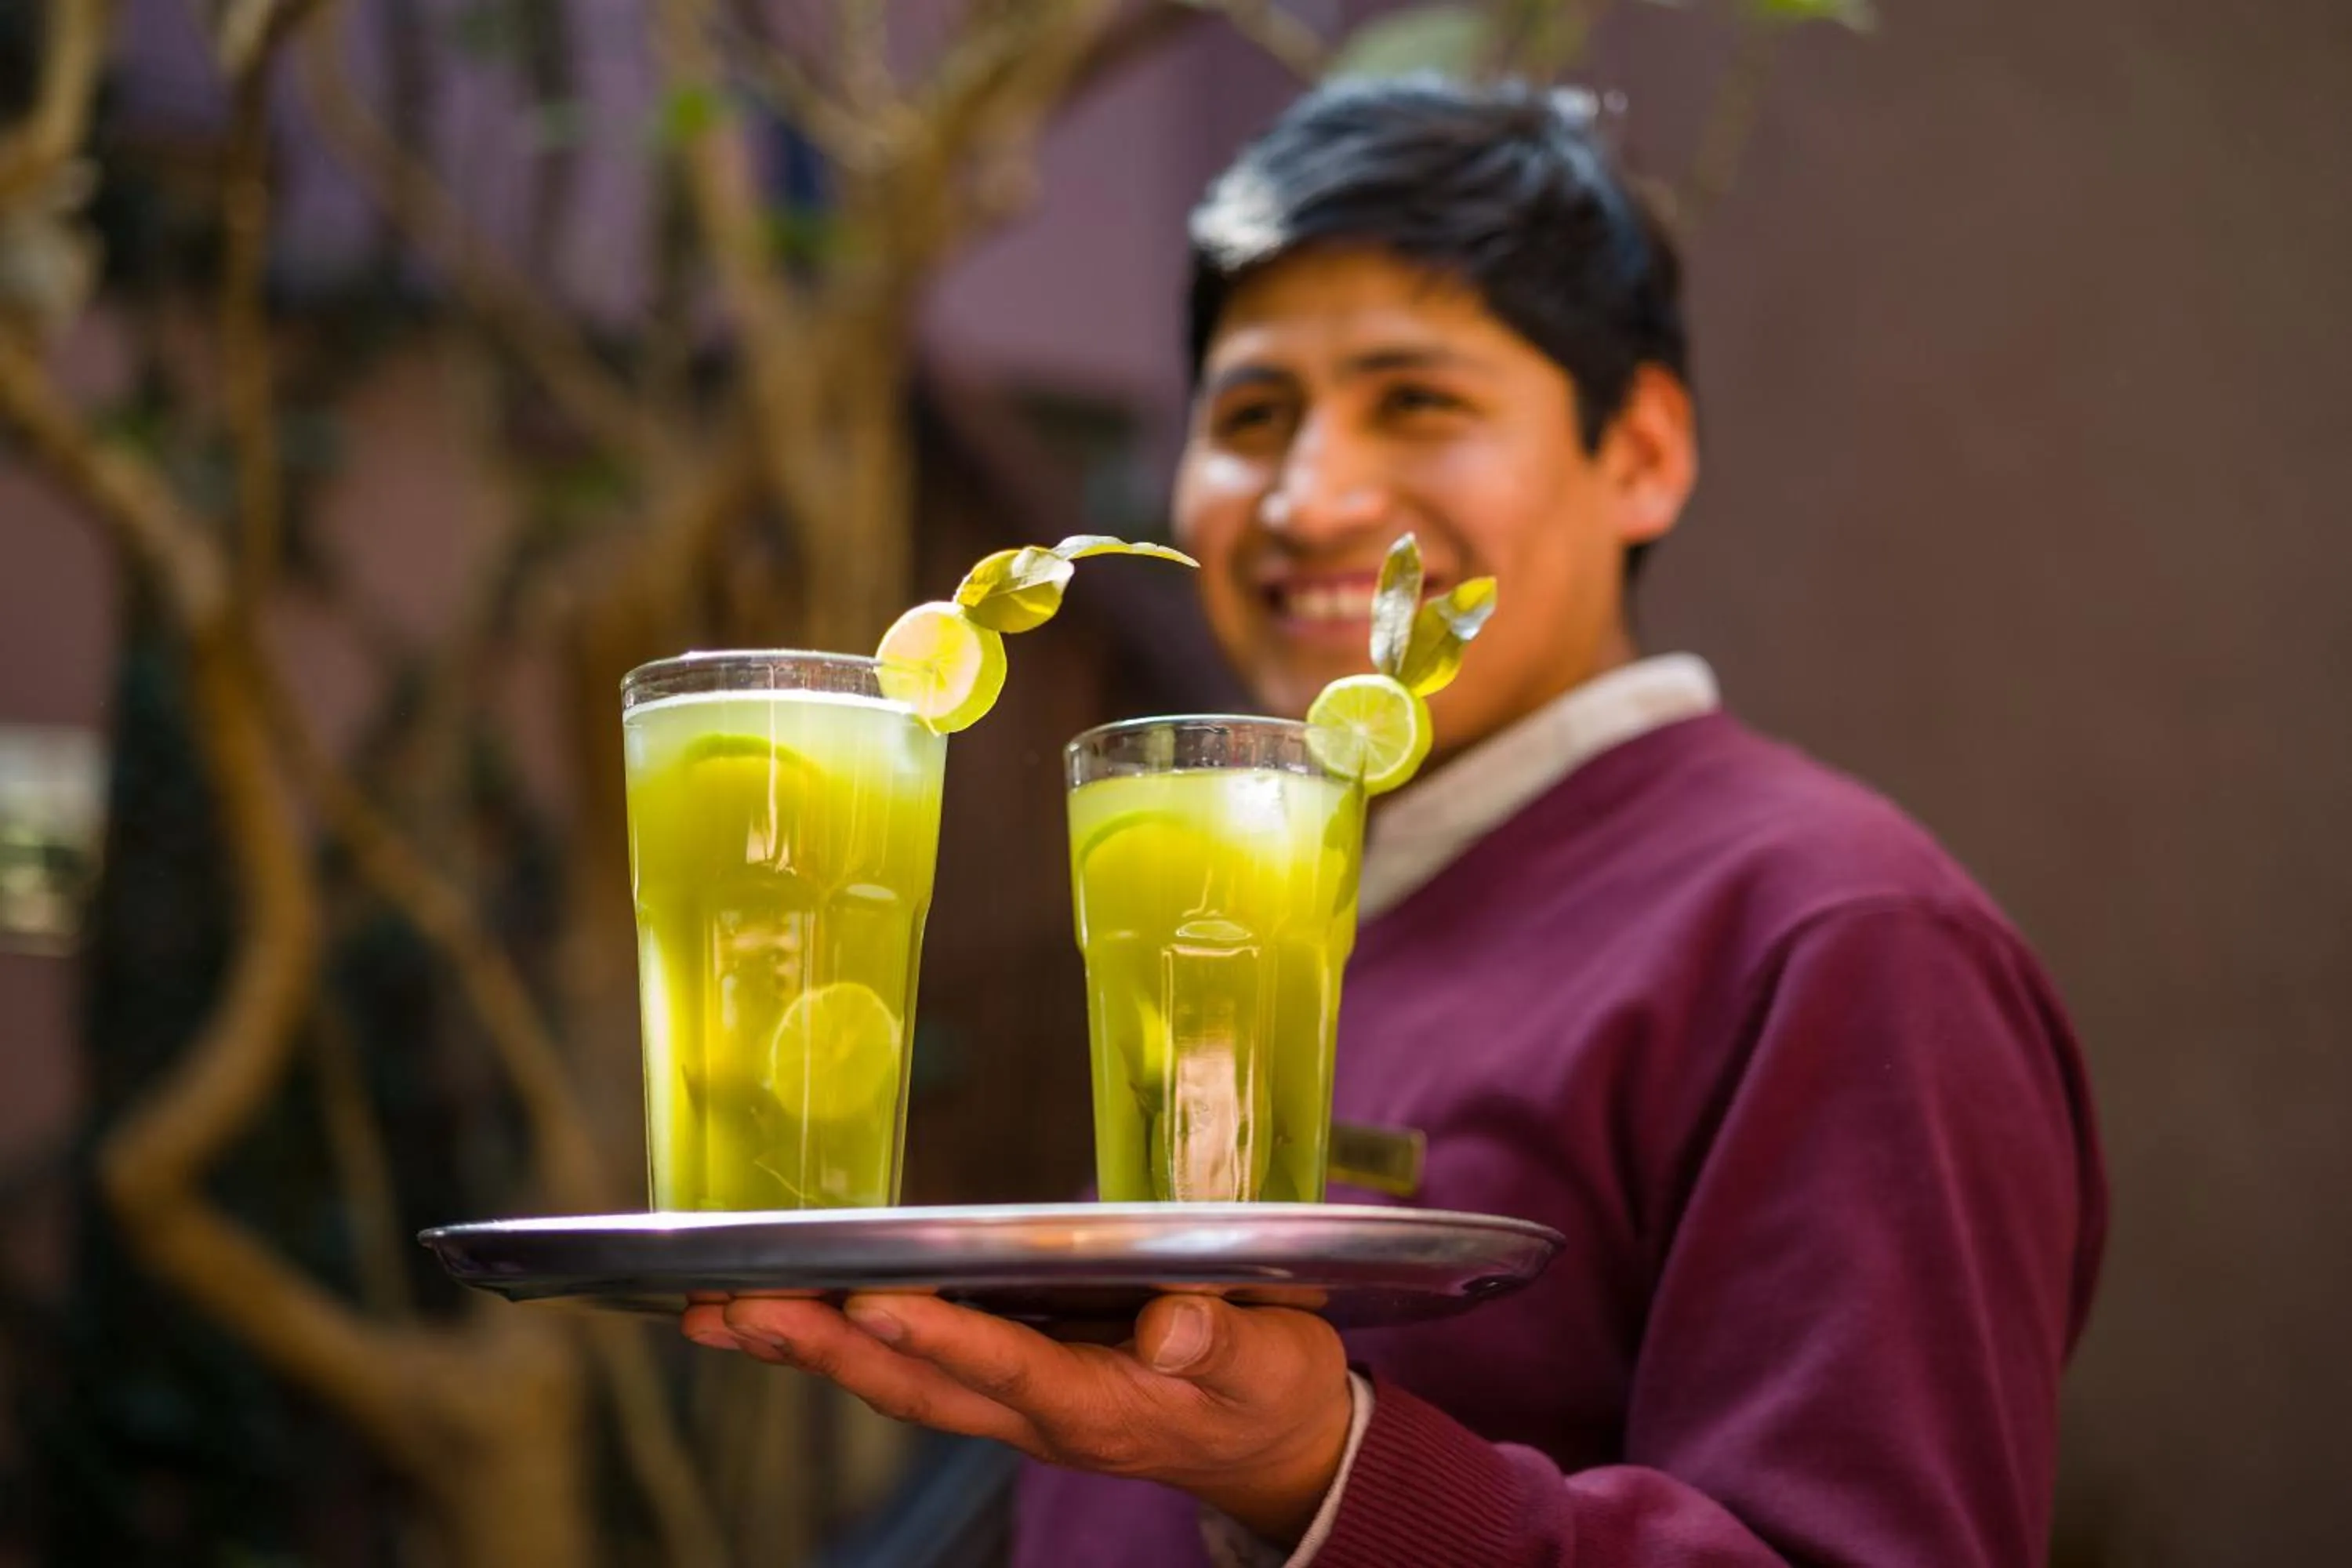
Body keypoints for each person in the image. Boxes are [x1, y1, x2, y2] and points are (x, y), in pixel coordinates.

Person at [683, 76, 2107, 1567]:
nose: (1309, 497)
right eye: (1250, 415)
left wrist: (1323, 1473)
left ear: (1642, 455)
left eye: (1415, 399)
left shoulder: (1838, 934)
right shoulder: (1216, 908)